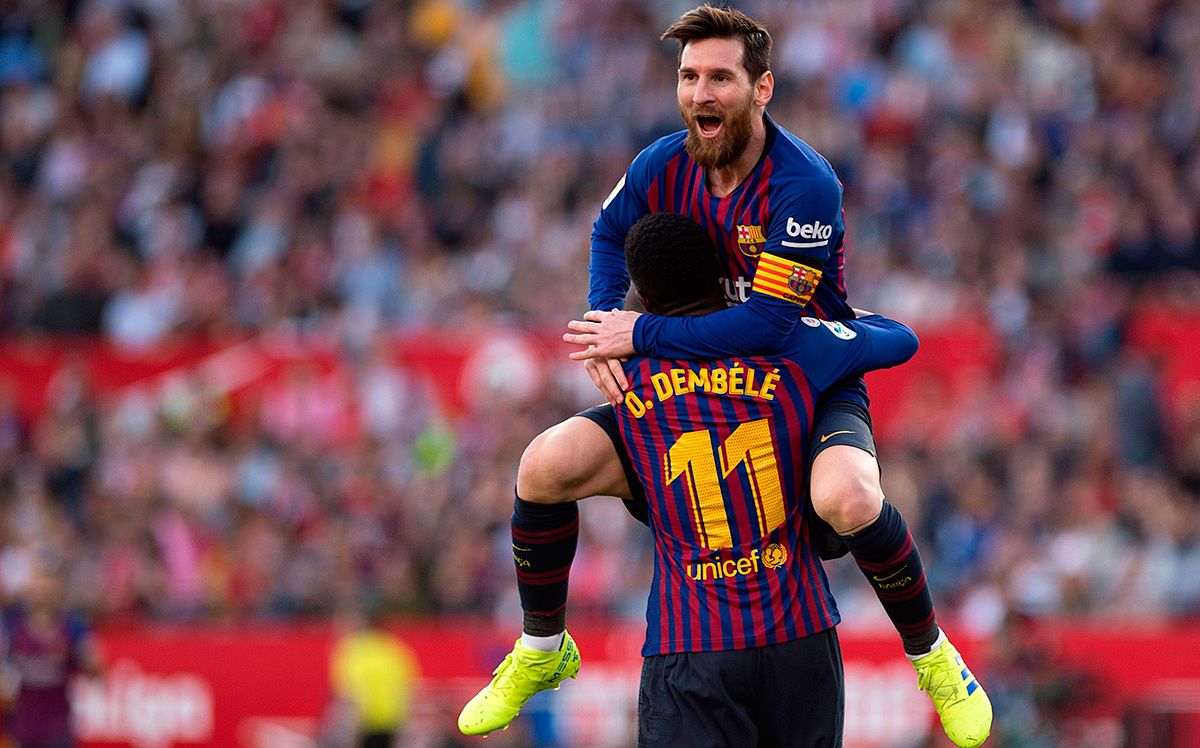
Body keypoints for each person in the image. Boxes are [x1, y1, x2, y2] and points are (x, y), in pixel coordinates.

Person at [460, 5, 991, 746]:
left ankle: (933, 656)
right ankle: (542, 649)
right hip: (688, 383)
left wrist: (639, 331)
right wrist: (604, 322)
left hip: (800, 378)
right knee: (544, 465)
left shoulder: (803, 183)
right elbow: (610, 231)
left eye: (719, 77)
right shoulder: (661, 165)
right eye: (688, 77)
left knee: (844, 495)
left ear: (762, 87)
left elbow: (769, 327)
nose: (700, 93)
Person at [624, 212, 924, 745]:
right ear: (724, 276)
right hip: (799, 634)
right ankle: (931, 649)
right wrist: (823, 313)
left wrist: (640, 332)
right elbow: (900, 339)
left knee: (548, 465)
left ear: (644, 297)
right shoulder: (792, 346)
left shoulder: (627, 370)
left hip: (691, 640)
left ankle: (541, 640)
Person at [0, 562, 103, 748]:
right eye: (38, 590)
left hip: (58, 729)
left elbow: (96, 672)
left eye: (47, 591)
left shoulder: (73, 627)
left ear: (58, 593)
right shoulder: (12, 626)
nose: (42, 595)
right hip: (21, 729)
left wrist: (87, 657)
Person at [328, 607, 420, 748]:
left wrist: (351, 732)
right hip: (392, 724)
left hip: (364, 725)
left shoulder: (352, 650)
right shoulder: (393, 648)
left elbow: (352, 695)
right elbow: (407, 690)